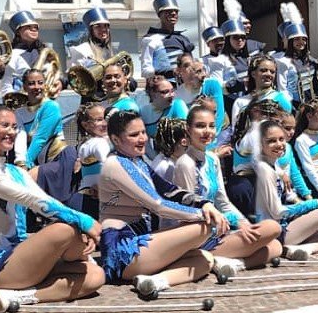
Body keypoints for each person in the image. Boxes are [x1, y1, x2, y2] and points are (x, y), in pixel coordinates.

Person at [0, 104, 103, 313]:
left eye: (14, 127)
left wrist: (80, 227)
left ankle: (18, 297)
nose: (11, 132)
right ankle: (7, 288)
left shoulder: (14, 170)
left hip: (24, 256)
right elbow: (31, 200)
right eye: (5, 126)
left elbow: (44, 198)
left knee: (96, 276)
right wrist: (83, 221)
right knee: (64, 229)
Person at [97, 110, 227, 297]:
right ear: (116, 140)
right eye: (134, 135)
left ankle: (155, 282)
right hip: (123, 252)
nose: (142, 138)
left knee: (204, 259)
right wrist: (202, 215)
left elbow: (169, 190)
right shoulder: (115, 163)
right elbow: (158, 205)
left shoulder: (137, 161)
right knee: (203, 227)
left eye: (143, 132)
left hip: (144, 245)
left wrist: (205, 204)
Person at [173, 107, 282, 272]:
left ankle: (233, 264)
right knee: (272, 229)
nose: (207, 131)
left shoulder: (212, 159)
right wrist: (227, 223)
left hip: (219, 228)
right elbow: (189, 212)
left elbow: (222, 201)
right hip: (196, 236)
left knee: (275, 245)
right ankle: (212, 258)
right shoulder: (185, 163)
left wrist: (243, 223)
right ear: (188, 130)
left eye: (211, 126)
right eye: (200, 126)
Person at [253, 120, 318, 260]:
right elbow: (277, 212)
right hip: (275, 231)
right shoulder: (265, 170)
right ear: (260, 145)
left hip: (283, 226)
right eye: (271, 141)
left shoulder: (273, 165)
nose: (279, 144)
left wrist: (283, 175)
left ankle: (297, 249)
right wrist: (315, 203)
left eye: (281, 139)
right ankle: (289, 247)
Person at [13, 70, 80, 210]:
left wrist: (25, 165)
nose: (36, 87)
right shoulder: (19, 112)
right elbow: (20, 137)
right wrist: (20, 162)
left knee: (26, 182)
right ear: (24, 87)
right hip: (39, 160)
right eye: (31, 83)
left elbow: (40, 139)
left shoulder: (51, 107)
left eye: (40, 82)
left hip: (61, 159)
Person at [140, 0, 194, 82]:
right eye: (168, 12)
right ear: (160, 15)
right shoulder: (150, 39)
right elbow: (145, 70)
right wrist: (169, 72)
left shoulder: (183, 39)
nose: (173, 14)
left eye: (176, 11)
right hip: (162, 89)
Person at [1, 7, 63, 95]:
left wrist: (60, 82)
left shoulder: (44, 51)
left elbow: (55, 74)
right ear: (18, 32)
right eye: (28, 27)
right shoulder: (12, 55)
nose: (34, 29)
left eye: (36, 27)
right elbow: (6, 83)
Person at [230, 54, 293, 125]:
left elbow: (286, 130)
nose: (269, 74)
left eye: (272, 72)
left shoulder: (282, 100)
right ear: (253, 73)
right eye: (263, 70)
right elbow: (235, 130)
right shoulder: (240, 102)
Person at [140, 75, 189, 160]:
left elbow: (187, 136)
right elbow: (145, 143)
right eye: (165, 92)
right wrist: (156, 161)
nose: (172, 95)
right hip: (159, 159)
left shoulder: (178, 105)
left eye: (172, 91)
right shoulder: (144, 112)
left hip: (182, 155)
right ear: (153, 94)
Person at [75, 103, 111, 218]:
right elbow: (109, 167)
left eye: (106, 118)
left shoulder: (84, 144)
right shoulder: (99, 143)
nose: (105, 123)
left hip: (86, 197)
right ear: (86, 125)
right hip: (100, 197)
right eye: (99, 120)